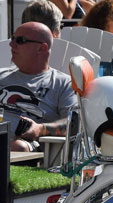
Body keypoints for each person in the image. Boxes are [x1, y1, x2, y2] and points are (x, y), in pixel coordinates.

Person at [0, 22, 76, 152]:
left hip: (25, 145)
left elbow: (75, 122)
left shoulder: (62, 83)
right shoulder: (2, 75)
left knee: (18, 147)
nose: (12, 44)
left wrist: (41, 129)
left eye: (20, 40)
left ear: (42, 48)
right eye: (13, 39)